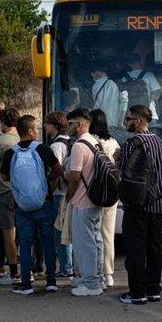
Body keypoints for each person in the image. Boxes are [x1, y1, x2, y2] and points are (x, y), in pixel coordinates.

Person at [1, 115, 64, 296]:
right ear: (29, 131)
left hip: (22, 206)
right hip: (44, 202)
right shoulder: (43, 149)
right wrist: (44, 182)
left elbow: (4, 177)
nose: (38, 131)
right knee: (47, 243)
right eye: (36, 128)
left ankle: (27, 284)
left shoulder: (10, 153)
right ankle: (51, 281)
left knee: (25, 245)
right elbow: (58, 170)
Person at [119, 104, 162, 304]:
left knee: (135, 248)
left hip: (137, 204)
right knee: (155, 247)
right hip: (159, 204)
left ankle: (137, 292)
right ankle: (153, 289)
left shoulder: (132, 143)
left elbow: (123, 172)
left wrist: (116, 160)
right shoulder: (161, 143)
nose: (127, 122)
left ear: (139, 121)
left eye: (129, 119)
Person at [65, 108, 106, 296]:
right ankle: (98, 278)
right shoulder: (95, 142)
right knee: (96, 241)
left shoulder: (78, 146)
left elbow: (74, 176)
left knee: (85, 245)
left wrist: (68, 198)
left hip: (82, 201)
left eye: (71, 123)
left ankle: (90, 284)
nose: (69, 127)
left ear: (80, 124)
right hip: (96, 199)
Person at [90, 109, 121, 288]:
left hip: (95, 192)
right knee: (108, 235)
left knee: (93, 235)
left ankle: (95, 273)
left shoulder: (91, 141)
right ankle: (109, 274)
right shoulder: (113, 141)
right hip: (112, 192)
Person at [0, 107, 20, 285]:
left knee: (8, 235)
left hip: (3, 191)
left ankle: (13, 270)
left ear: (2, 122)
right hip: (22, 192)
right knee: (22, 233)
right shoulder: (22, 140)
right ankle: (29, 268)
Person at [43, 111, 74, 280]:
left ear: (55, 126)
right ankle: (69, 265)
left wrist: (48, 187)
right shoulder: (69, 142)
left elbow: (56, 171)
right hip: (70, 190)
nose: (45, 126)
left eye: (48, 123)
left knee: (60, 230)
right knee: (68, 228)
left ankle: (65, 266)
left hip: (59, 192)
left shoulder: (56, 146)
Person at [121, 53, 162, 120]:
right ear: (140, 61)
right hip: (147, 113)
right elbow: (157, 93)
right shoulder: (149, 75)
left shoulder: (124, 78)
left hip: (131, 115)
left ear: (129, 64)